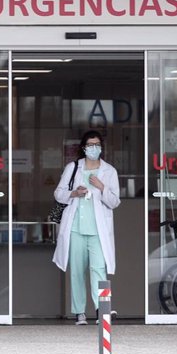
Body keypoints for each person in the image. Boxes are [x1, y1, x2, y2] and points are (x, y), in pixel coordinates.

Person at [52, 130, 120, 325]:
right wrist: (74, 193)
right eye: (90, 145)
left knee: (98, 269)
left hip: (98, 231)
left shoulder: (109, 171)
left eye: (97, 144)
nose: (94, 148)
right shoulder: (73, 168)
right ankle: (79, 312)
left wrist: (101, 187)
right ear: (83, 147)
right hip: (75, 228)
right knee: (77, 271)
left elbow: (114, 202)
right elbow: (58, 193)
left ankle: (101, 309)